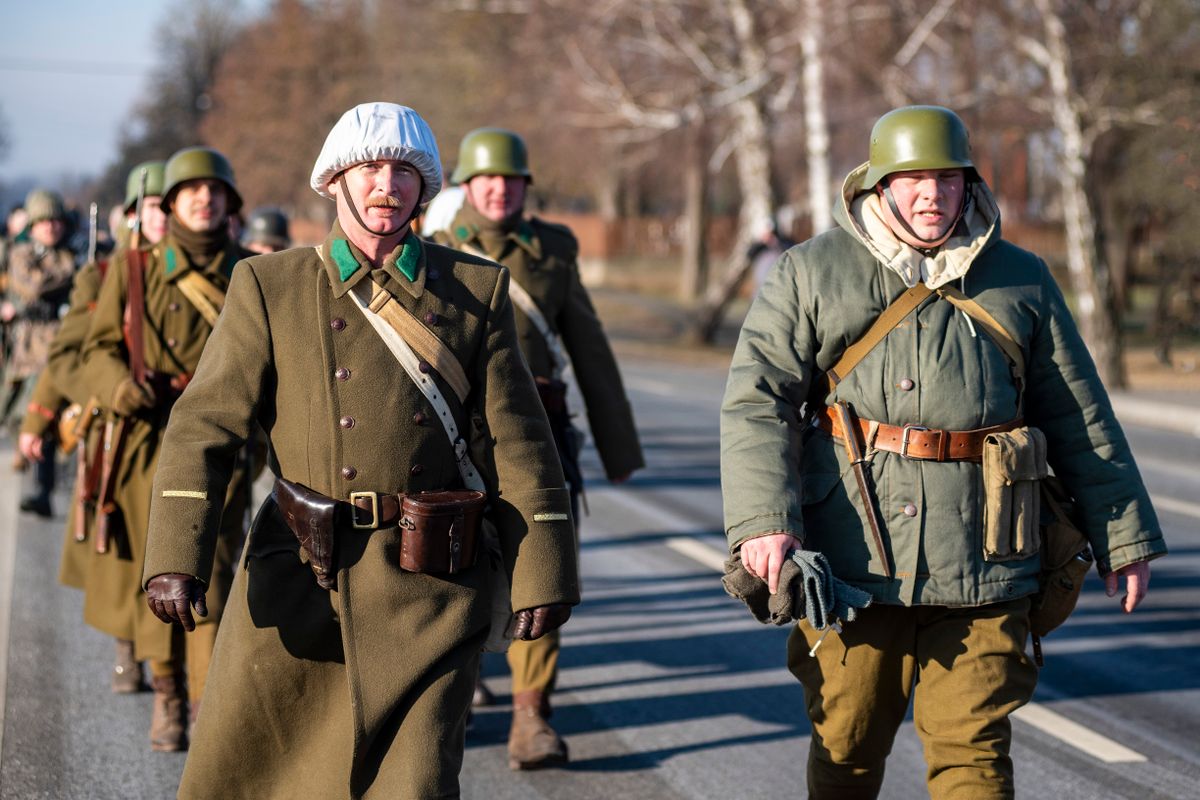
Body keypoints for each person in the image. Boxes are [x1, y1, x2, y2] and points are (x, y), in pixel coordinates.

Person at [720, 105, 1167, 799]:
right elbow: (758, 400)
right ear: (881, 185)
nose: (933, 194)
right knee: (847, 745)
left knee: (976, 759)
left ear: (969, 185)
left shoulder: (1021, 277)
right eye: (914, 178)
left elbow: (1079, 415)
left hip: (990, 560)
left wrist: (1124, 535)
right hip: (852, 565)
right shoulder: (811, 272)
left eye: (948, 179)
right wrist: (763, 523)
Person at [140, 102, 579, 799]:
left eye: (406, 170)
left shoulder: (474, 288)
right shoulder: (270, 285)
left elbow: (521, 440)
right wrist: (175, 554)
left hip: (433, 582)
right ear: (335, 178)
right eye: (371, 166)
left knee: (417, 786)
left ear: (426, 187)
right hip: (302, 578)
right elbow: (204, 429)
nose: (388, 184)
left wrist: (546, 570)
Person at [431, 126, 644, 770]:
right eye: (487, 179)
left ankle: (531, 714)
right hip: (458, 434)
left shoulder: (552, 251)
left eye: (512, 180)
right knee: (453, 565)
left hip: (542, 433)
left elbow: (589, 344)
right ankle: (454, 688)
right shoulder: (433, 248)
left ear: (526, 187)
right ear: (466, 186)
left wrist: (618, 447)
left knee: (540, 564)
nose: (499, 191)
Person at [81, 147, 252, 751]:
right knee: (159, 574)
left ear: (231, 202)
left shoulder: (256, 271)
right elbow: (94, 351)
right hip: (145, 441)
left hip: (223, 450)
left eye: (216, 191)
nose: (204, 200)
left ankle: (206, 707)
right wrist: (117, 388)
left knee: (215, 572)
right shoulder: (134, 270)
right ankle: (168, 698)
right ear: (172, 202)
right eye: (191, 191)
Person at [17, 161, 167, 695]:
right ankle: (130, 649)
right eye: (151, 208)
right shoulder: (103, 275)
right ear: (132, 215)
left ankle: (175, 674)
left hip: (181, 429)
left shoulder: (211, 272)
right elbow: (67, 356)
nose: (162, 218)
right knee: (125, 549)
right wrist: (40, 415)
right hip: (117, 432)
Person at [2, 188, 76, 515]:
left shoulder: (73, 252)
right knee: (31, 417)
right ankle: (41, 488)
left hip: (64, 344)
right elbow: (34, 285)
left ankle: (46, 490)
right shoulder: (21, 254)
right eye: (43, 221)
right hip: (31, 349)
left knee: (61, 422)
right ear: (32, 225)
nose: (50, 227)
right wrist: (69, 272)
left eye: (56, 220)